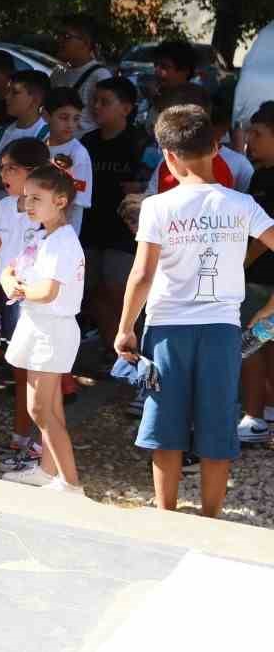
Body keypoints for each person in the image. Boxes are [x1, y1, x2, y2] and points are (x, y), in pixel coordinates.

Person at [118, 104, 274, 517]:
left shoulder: (156, 207)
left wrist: (124, 329)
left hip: (168, 328)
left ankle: (166, 514)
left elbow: (141, 276)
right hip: (222, 329)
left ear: (167, 156)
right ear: (217, 148)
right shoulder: (242, 204)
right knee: (218, 424)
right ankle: (211, 518)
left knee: (165, 426)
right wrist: (270, 310)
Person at [0, 164, 86, 494]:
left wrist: (17, 289)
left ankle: (70, 482)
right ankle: (49, 471)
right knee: (51, 408)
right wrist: (11, 282)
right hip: (36, 324)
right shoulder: (41, 236)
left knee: (39, 407)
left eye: (37, 198)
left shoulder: (63, 242)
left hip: (52, 329)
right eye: (26, 198)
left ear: (61, 201)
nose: (29, 205)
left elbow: (48, 291)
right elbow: (10, 268)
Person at [0, 137, 54, 473]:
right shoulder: (5, 206)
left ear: (33, 172)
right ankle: (20, 439)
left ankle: (40, 447)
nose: (4, 174)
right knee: (18, 371)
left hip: (35, 303)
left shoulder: (49, 210)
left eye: (12, 169)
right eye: (1, 167)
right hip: (9, 299)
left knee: (36, 375)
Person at [80, 76, 148, 348]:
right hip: (91, 228)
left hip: (126, 233)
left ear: (127, 108)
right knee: (95, 294)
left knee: (120, 292)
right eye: (94, 101)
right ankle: (114, 353)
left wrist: (141, 185)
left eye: (105, 102)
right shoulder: (87, 141)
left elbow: (156, 182)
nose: (96, 107)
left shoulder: (142, 142)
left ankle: (137, 349)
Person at [0, 69, 50, 246]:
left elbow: (45, 182)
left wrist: (0, 178)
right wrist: (18, 180)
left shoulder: (48, 135)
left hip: (31, 227)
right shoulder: (0, 133)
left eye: (15, 92)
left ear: (35, 99)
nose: (7, 97)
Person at [241, 102, 274, 444]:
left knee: (249, 344)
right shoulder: (260, 174)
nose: (250, 140)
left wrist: (242, 263)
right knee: (263, 343)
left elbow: (267, 235)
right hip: (258, 281)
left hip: (262, 284)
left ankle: (253, 419)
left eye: (259, 134)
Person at [44, 87, 94, 234]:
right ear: (46, 116)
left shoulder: (78, 154)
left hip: (63, 232)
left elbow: (75, 200)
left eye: (76, 118)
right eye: (64, 118)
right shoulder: (39, 147)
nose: (71, 125)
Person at [52, 15, 111, 137]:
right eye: (58, 35)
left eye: (66, 37)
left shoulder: (100, 76)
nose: (59, 40)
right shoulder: (58, 72)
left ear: (86, 43)